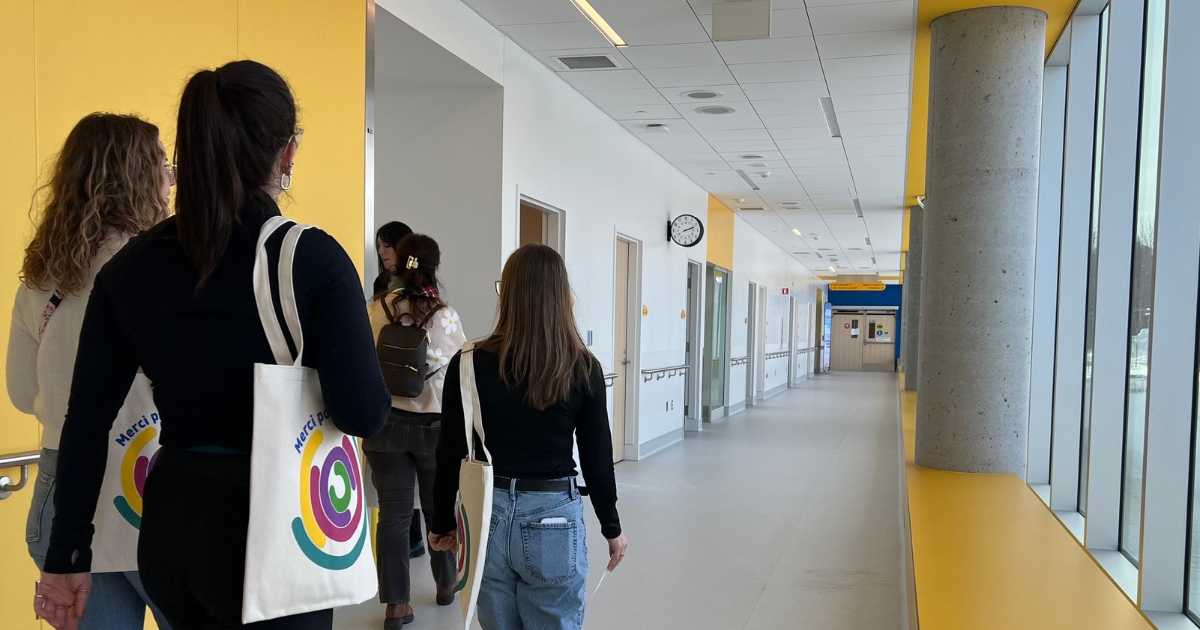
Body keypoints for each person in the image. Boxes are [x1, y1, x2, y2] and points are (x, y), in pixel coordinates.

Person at [32, 60, 390, 630]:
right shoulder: (312, 260)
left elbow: (85, 422)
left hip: (171, 526)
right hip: (268, 526)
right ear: (287, 154)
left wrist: (67, 555)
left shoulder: (130, 269)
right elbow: (362, 413)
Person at [7, 113, 173, 629]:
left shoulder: (40, 278)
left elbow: (20, 391)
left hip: (63, 495)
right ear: (141, 177)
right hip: (151, 483)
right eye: (164, 167)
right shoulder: (162, 268)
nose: (172, 180)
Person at [430, 244, 629, 630]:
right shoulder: (583, 367)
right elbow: (596, 459)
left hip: (486, 512)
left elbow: (450, 449)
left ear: (509, 293)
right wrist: (611, 526)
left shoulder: (467, 361)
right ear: (561, 295)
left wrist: (442, 521)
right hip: (555, 512)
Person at [366, 234, 466, 628]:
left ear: (398, 264)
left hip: (385, 424)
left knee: (392, 515)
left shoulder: (377, 310)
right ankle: (445, 586)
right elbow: (460, 372)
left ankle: (396, 605)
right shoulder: (446, 317)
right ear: (434, 268)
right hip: (434, 428)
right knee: (438, 508)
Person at [369, 220, 425, 561]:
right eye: (378, 247)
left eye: (387, 245)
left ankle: (416, 540)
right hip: (387, 395)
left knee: (406, 493)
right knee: (393, 494)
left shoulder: (419, 292)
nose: (382, 252)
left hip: (412, 395)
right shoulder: (379, 288)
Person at [372, 221, 413, 296]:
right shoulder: (380, 282)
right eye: (378, 246)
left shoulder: (417, 281)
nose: (380, 251)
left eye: (386, 245)